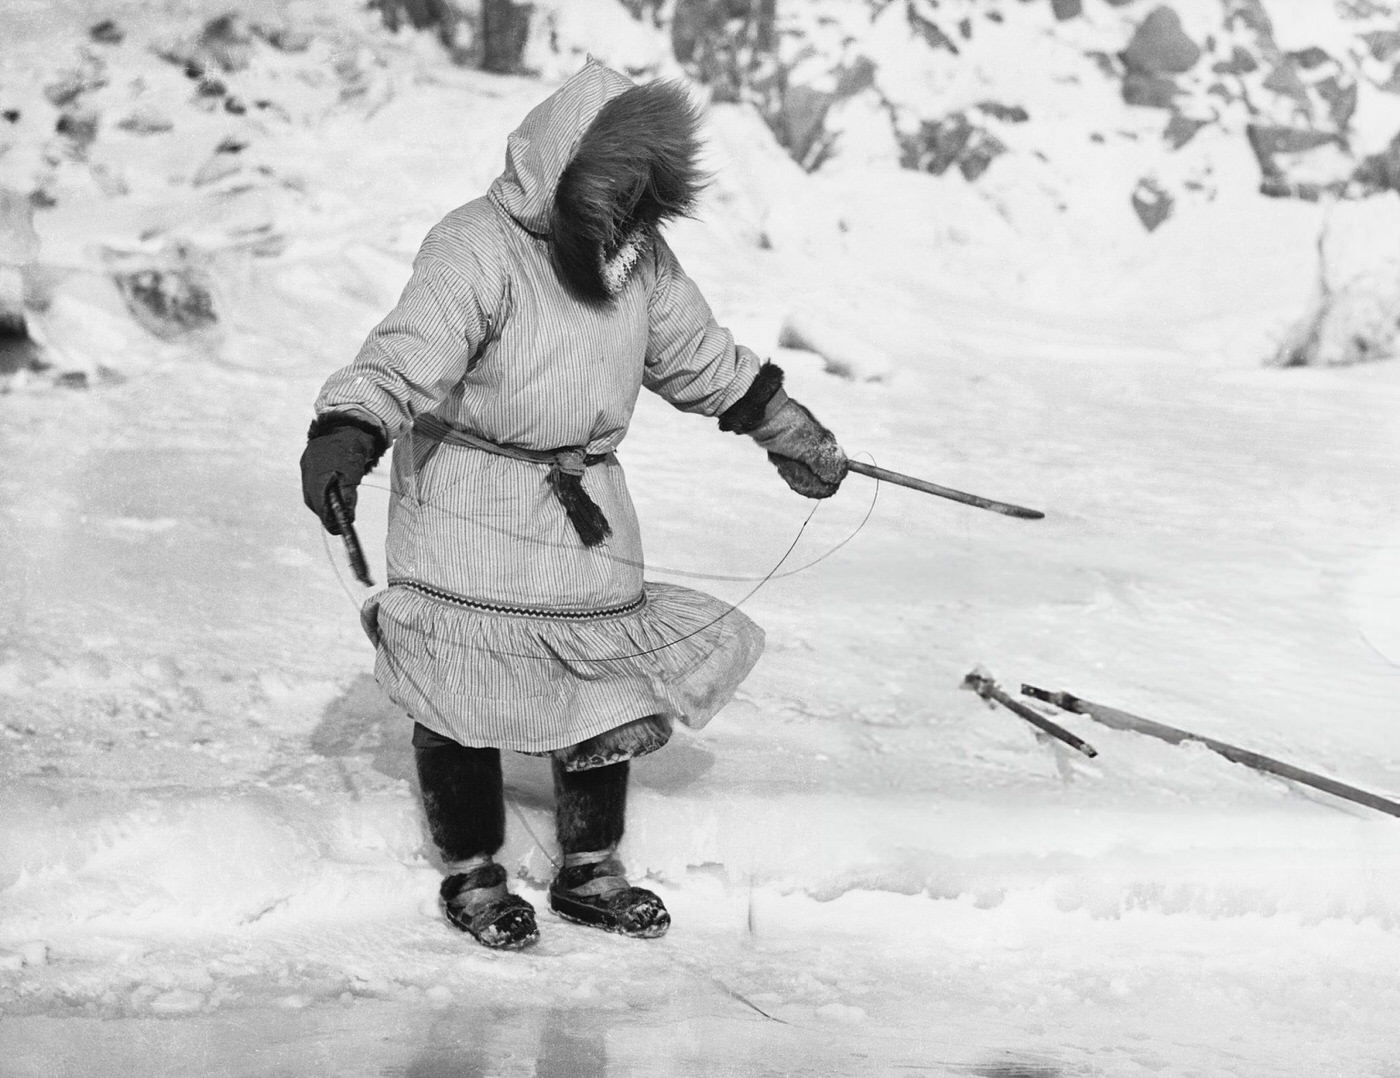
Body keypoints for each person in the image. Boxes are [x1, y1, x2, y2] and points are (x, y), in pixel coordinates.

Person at [299, 59, 847, 950]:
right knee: (462, 687)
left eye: (642, 184)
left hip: (584, 500)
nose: (628, 199)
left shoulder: (637, 258)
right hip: (469, 499)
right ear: (570, 166)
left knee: (604, 682)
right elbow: (407, 352)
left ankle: (590, 870)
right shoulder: (477, 245)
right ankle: (472, 871)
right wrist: (350, 429)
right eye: (614, 178)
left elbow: (698, 357)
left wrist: (784, 426)